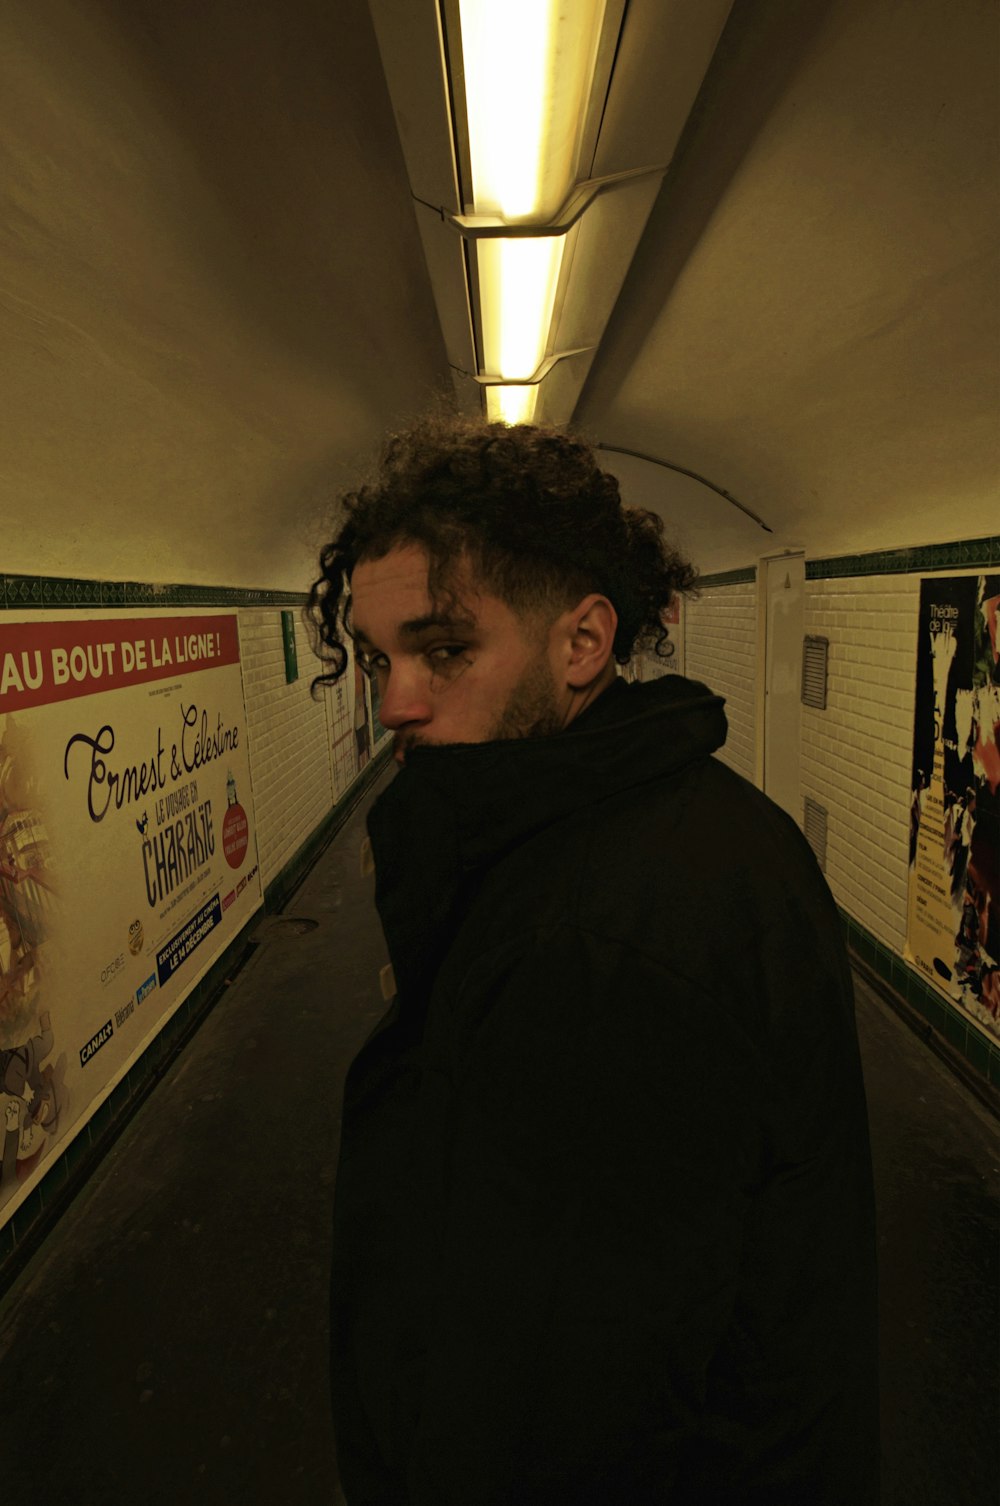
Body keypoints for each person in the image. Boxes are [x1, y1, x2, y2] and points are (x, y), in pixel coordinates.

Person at [307, 416, 879, 1506]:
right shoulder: (691, 820)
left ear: (582, 644)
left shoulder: (603, 939)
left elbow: (560, 1399)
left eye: (443, 651)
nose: (395, 704)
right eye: (381, 659)